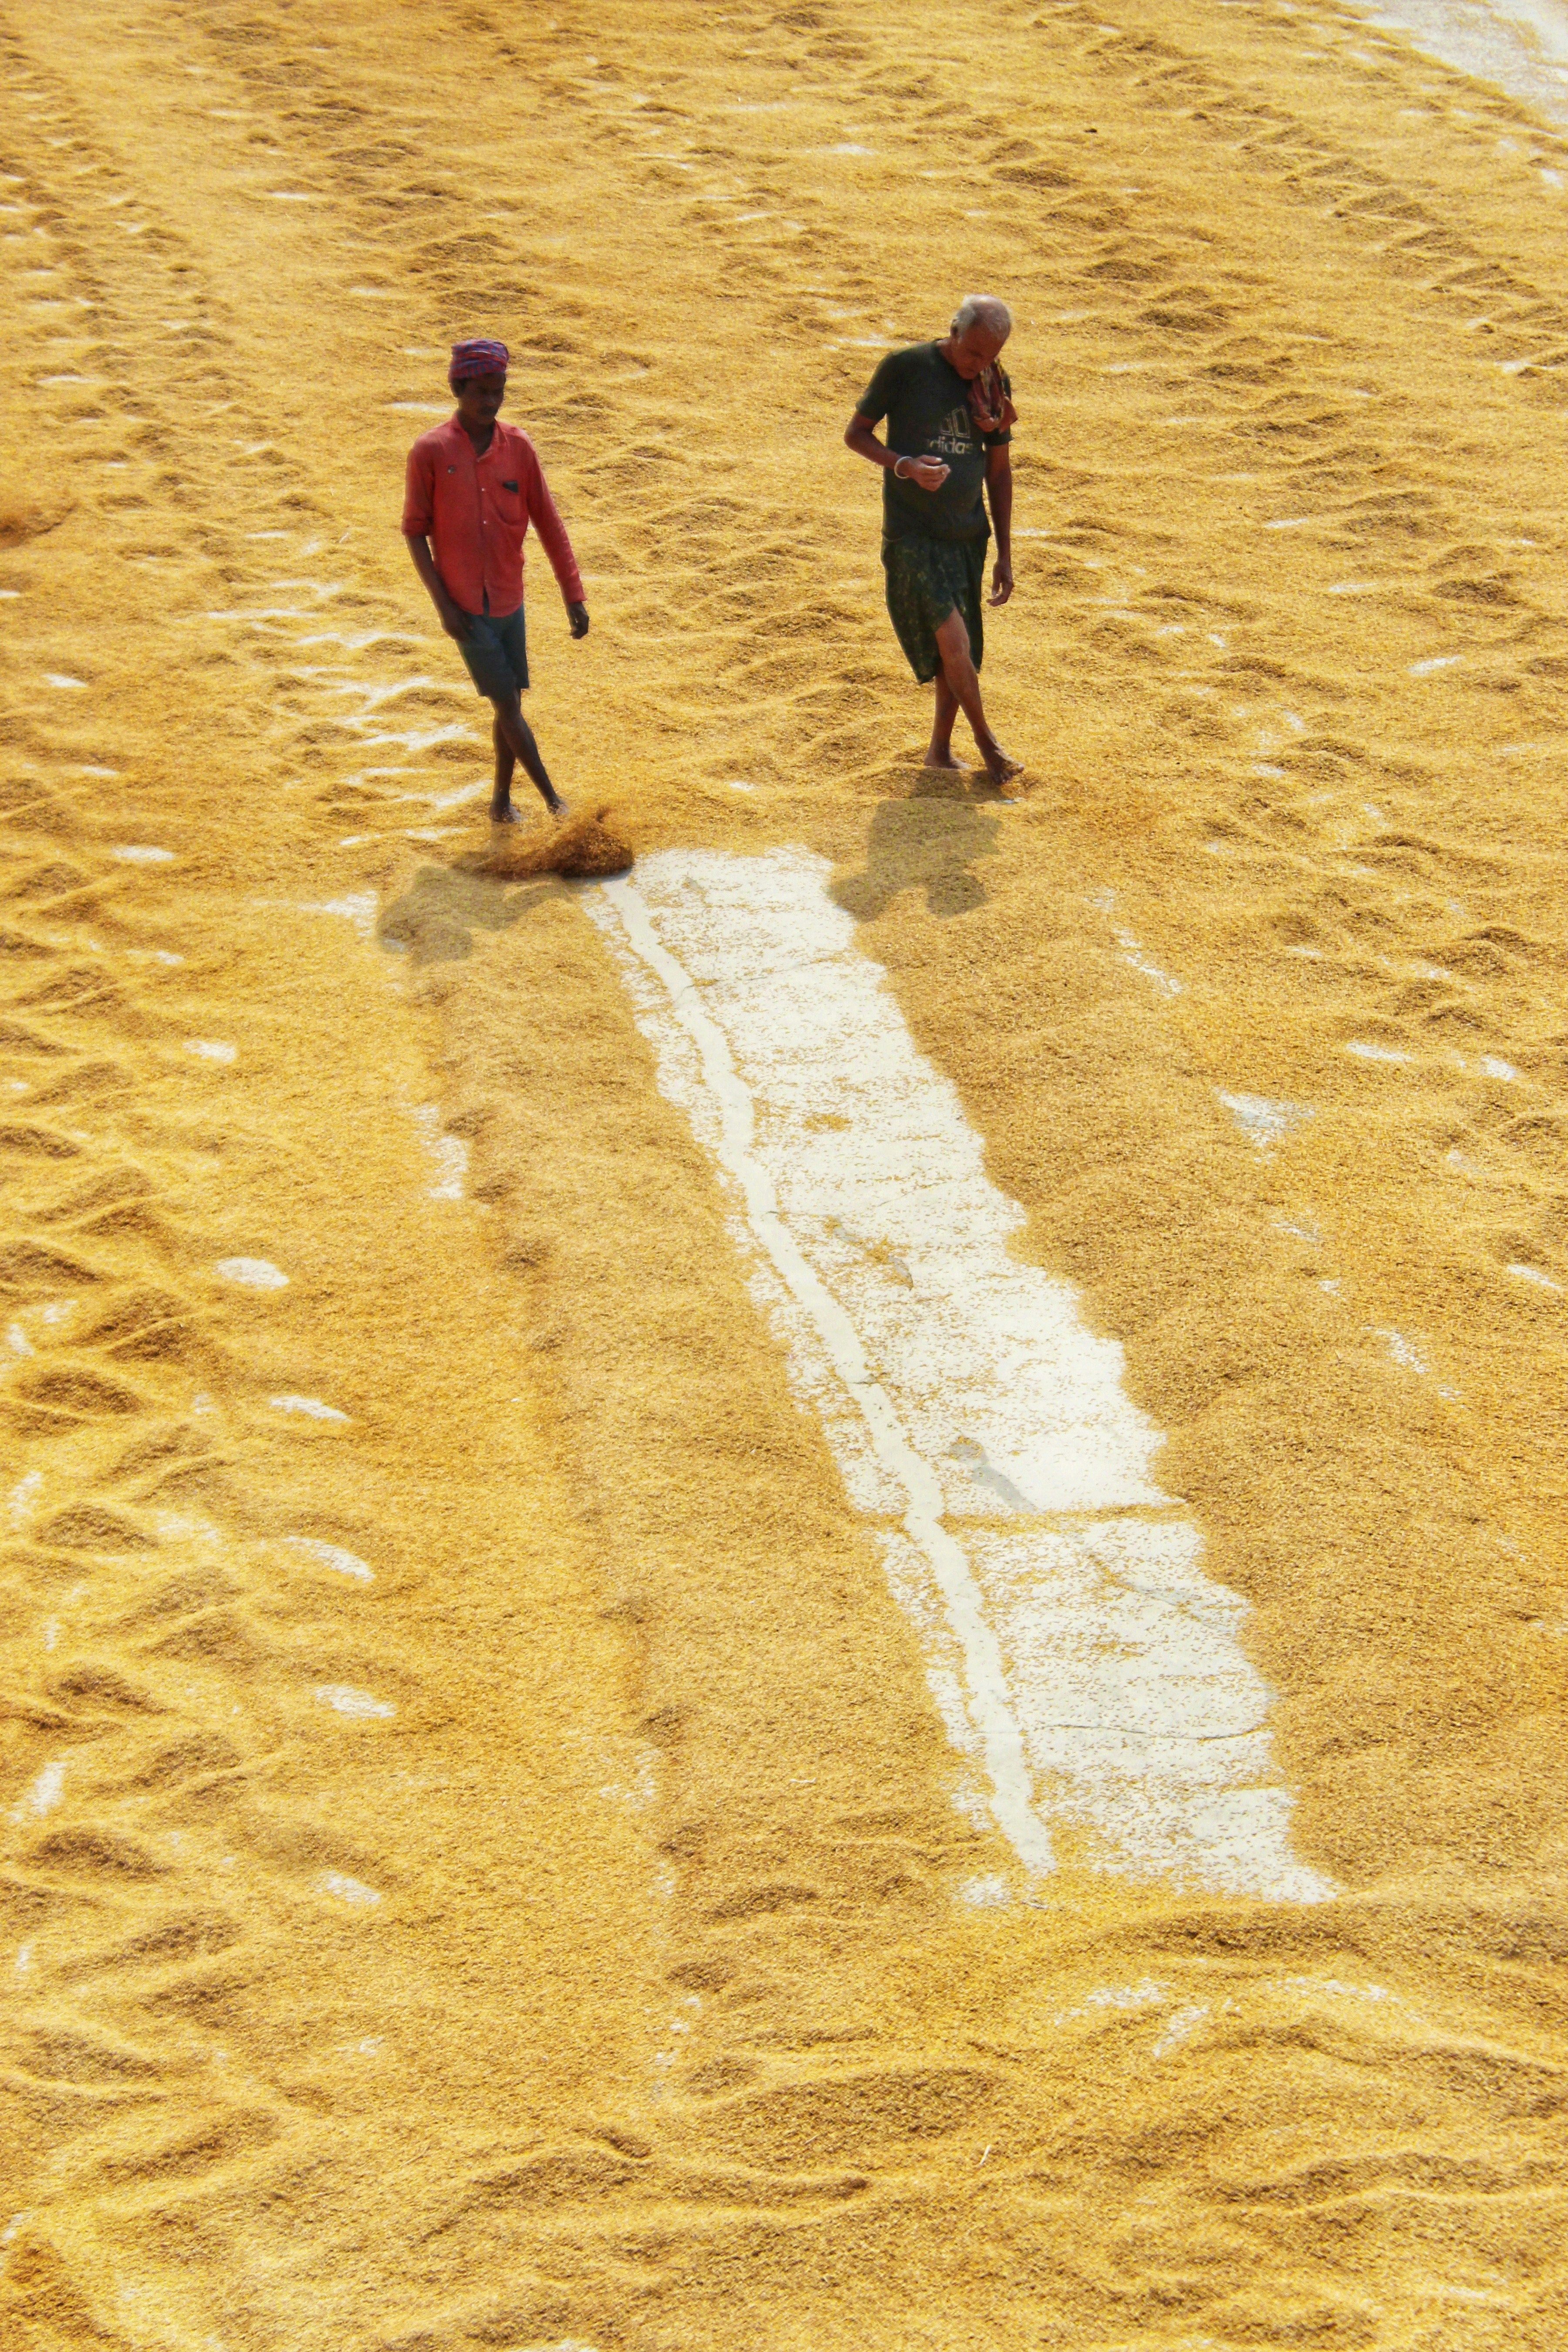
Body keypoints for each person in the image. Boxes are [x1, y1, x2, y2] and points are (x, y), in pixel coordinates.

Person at [402, 336, 588, 825]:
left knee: (510, 707)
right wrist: (443, 608)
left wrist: (574, 595)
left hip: (510, 601)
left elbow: (550, 523)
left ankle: (500, 803)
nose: (490, 401)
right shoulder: (430, 451)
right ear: (457, 387)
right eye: (481, 391)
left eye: (498, 390)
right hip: (466, 610)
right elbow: (414, 533)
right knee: (508, 706)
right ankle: (555, 803)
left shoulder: (519, 447)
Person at [845, 294, 1022, 786]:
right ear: (955, 332)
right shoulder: (905, 368)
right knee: (954, 639)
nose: (979, 365)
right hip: (911, 533)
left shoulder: (991, 382)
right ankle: (990, 747)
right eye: (973, 354)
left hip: (967, 535)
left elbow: (1000, 471)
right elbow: (856, 434)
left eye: (991, 356)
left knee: (956, 655)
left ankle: (940, 753)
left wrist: (1006, 552)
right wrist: (904, 465)